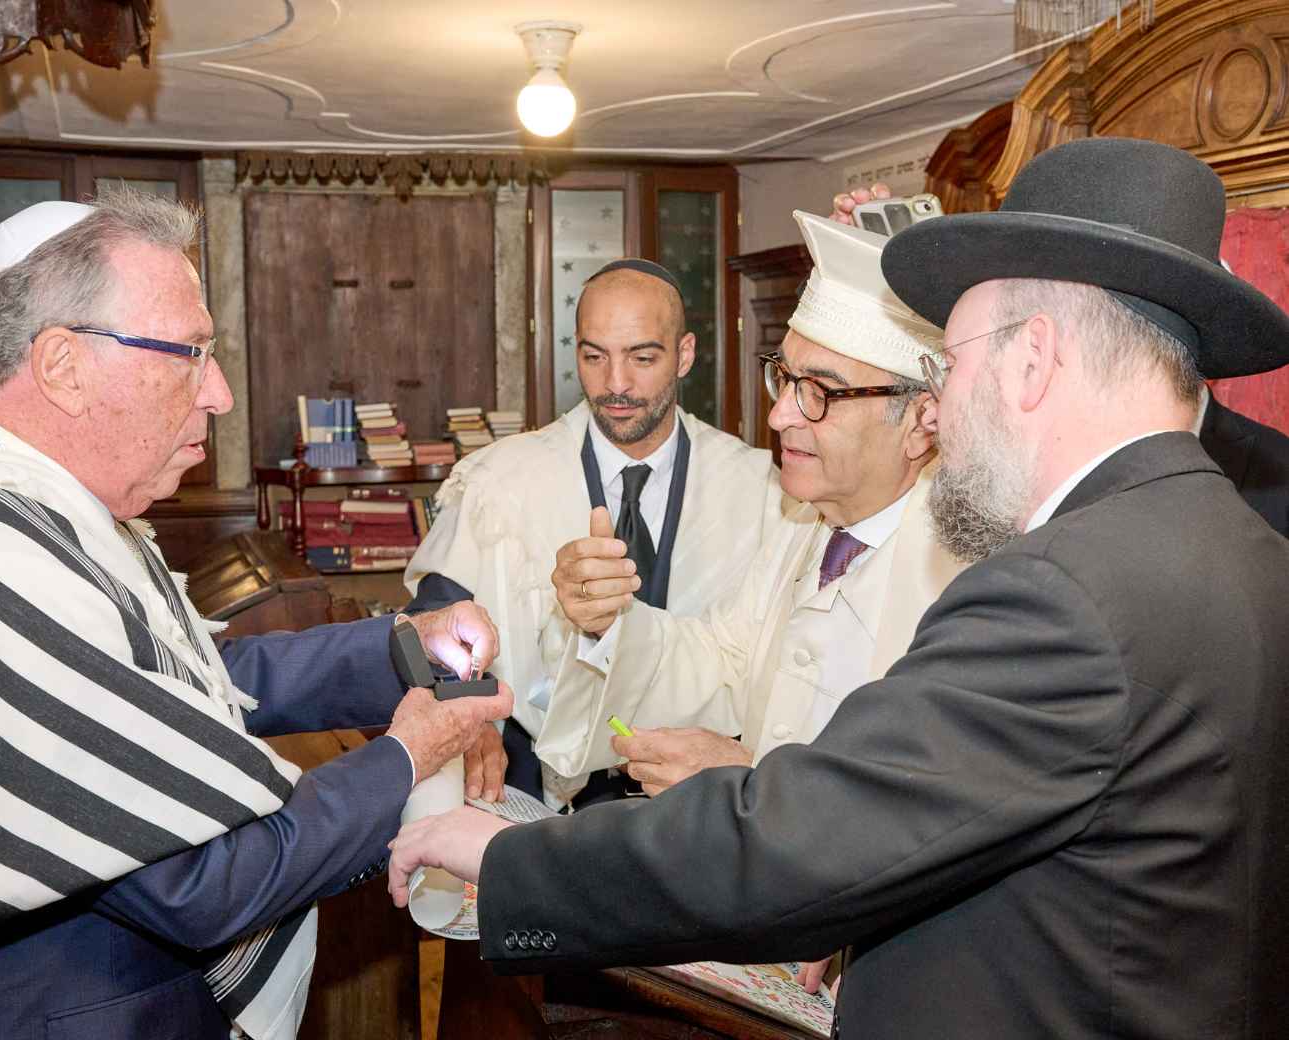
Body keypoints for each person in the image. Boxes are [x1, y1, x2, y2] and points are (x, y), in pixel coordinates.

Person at [388, 138, 1289, 1039]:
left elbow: (819, 834)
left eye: (955, 366)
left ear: (1032, 360)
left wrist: (513, 859)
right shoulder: (1250, 550)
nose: (946, 407)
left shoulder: (1056, 590)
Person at [0, 192, 513, 1040]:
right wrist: (407, 755)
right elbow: (202, 881)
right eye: (189, 352)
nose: (220, 393)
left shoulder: (33, 516)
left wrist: (401, 648)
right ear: (63, 365)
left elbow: (178, 687)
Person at [536, 211, 962, 804]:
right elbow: (723, 660)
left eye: (819, 392)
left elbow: (938, 803)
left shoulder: (960, 575)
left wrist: (752, 777)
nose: (779, 415)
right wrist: (609, 620)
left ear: (921, 421)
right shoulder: (806, 525)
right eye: (783, 379)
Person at [403, 258, 783, 805]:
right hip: (541, 790)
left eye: (642, 358)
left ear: (684, 355)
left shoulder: (759, 490)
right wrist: (464, 716)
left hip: (699, 798)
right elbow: (432, 624)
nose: (616, 384)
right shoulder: (501, 480)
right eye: (594, 357)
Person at [836, 183, 1289, 536]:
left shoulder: (1278, 475)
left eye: (952, 366)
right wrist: (848, 278)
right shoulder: (1013, 461)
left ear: (1035, 355)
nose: (934, 413)